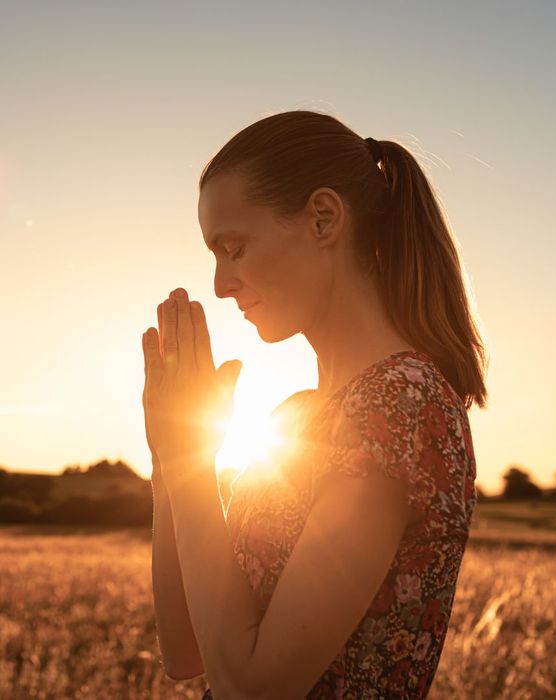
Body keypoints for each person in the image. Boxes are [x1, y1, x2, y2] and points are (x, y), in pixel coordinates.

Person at [142, 110, 488, 699]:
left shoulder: (402, 404)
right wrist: (173, 460)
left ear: (323, 219)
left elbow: (254, 688)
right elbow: (186, 651)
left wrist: (185, 464)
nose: (222, 284)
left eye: (235, 247)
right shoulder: (298, 417)